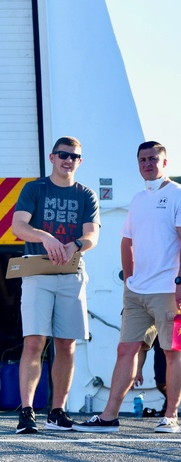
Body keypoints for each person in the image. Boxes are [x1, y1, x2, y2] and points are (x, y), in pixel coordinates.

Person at [74, 141, 181, 433]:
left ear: (165, 162)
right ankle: (109, 417)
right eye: (142, 159)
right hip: (137, 291)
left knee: (172, 353)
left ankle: (170, 416)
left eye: (153, 159)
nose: (147, 164)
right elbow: (126, 241)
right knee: (125, 350)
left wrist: (180, 281)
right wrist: (130, 281)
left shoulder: (177, 195)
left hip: (168, 290)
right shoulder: (137, 199)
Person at [10, 136, 100, 434]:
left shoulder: (86, 195)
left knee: (67, 344)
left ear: (80, 161)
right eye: (63, 155)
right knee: (35, 341)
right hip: (37, 272)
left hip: (71, 274)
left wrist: (75, 244)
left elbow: (92, 237)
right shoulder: (34, 189)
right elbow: (18, 226)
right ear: (52, 157)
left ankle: (57, 412)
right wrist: (46, 237)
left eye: (74, 157)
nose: (68, 160)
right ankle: (27, 411)